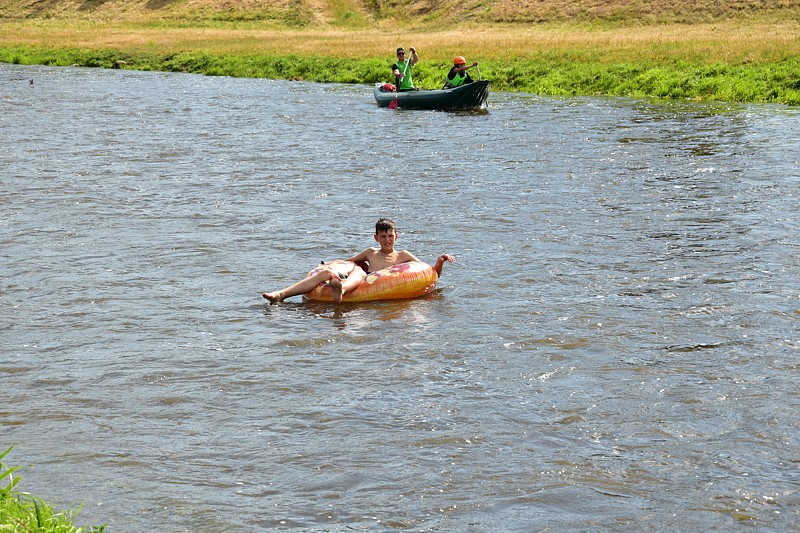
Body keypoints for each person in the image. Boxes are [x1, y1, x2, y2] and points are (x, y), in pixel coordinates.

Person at [262, 218, 455, 304]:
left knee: (360, 273)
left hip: (376, 282)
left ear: (397, 236)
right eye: (383, 236)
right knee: (332, 273)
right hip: (362, 278)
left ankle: (342, 291)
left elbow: (429, 274)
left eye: (390, 236)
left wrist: (440, 262)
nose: (386, 240)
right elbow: (348, 262)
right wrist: (328, 267)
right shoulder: (371, 252)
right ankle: (281, 294)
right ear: (376, 238)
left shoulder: (403, 255)